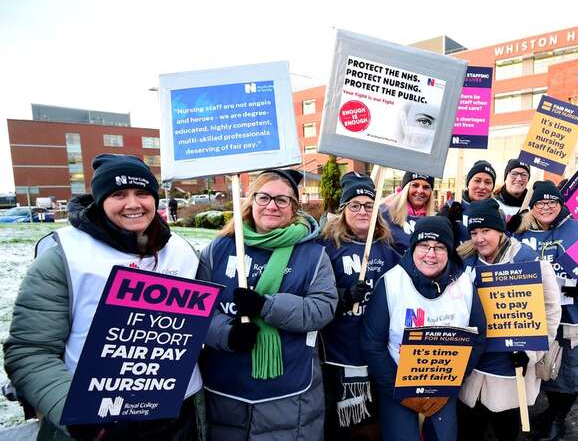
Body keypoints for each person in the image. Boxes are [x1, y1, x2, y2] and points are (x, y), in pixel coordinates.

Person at [4, 154, 202, 441]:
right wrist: (75, 412)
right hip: (99, 424)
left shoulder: (182, 250)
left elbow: (197, 327)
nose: (133, 204)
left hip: (176, 418)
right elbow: (30, 351)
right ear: (99, 200)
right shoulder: (64, 256)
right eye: (119, 194)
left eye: (143, 193)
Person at [198, 169, 337, 440]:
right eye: (264, 197)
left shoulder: (313, 254)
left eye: (282, 200)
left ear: (294, 207)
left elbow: (322, 309)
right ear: (251, 202)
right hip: (225, 387)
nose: (272, 205)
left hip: (289, 391)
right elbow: (197, 310)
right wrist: (226, 333)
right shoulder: (218, 249)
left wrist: (266, 307)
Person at [361, 216, 486, 441]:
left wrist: (455, 380)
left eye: (439, 247)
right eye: (424, 246)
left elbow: (477, 336)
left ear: (449, 251)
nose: (430, 254)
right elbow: (373, 344)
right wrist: (401, 392)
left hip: (443, 388)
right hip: (397, 387)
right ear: (413, 248)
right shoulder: (391, 283)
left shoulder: (464, 284)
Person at [513, 181, 578, 440]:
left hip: (576, 313)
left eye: (552, 202)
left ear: (560, 204)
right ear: (532, 206)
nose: (546, 207)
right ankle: (551, 411)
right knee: (545, 371)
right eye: (540, 202)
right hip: (537, 314)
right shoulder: (522, 232)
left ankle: (558, 418)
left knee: (572, 372)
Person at [455, 199, 561, 441]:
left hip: (510, 366)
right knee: (470, 428)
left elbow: (551, 310)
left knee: (506, 428)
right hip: (474, 365)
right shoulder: (467, 261)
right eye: (474, 232)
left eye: (486, 231)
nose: (480, 238)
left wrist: (531, 352)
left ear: (500, 230)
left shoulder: (526, 259)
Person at [318, 172, 401, 439]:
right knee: (341, 425)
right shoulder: (327, 247)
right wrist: (344, 296)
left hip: (377, 349)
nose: (362, 211)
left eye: (368, 205)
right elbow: (313, 293)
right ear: (343, 211)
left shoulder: (387, 249)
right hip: (339, 351)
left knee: (373, 422)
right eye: (355, 205)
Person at [440, 160, 497, 243]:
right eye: (477, 181)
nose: (482, 186)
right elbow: (437, 238)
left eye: (488, 182)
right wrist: (449, 224)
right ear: (468, 183)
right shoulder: (451, 206)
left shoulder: (497, 212)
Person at [380, 171, 436, 254]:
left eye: (426, 187)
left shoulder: (434, 220)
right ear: (405, 188)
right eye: (415, 185)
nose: (420, 191)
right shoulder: (384, 214)